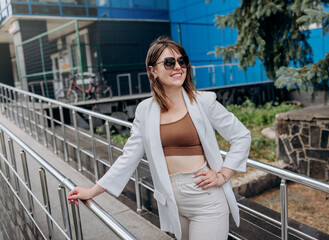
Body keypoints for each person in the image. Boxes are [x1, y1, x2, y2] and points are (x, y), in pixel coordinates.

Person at [68, 36, 251, 240]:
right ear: (153, 70)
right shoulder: (145, 110)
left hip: (206, 199)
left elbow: (241, 135)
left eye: (182, 61)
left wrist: (223, 174)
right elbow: (128, 158)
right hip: (172, 202)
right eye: (169, 62)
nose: (178, 67)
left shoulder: (204, 101)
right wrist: (92, 191)